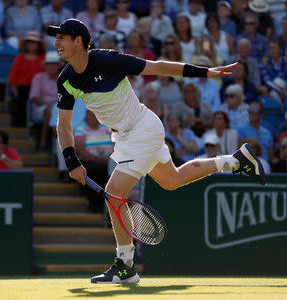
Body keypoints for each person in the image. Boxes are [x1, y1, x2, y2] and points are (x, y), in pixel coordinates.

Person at [47, 18, 265, 284]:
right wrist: (71, 160)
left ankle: (125, 265)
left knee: (114, 195)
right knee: (172, 180)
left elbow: (158, 66)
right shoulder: (66, 80)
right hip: (126, 136)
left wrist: (205, 72)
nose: (56, 43)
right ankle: (234, 161)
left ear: (78, 40)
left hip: (142, 129)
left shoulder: (109, 60)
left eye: (61, 38)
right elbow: (64, 124)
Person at [74, 110, 113, 212]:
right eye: (90, 115)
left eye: (95, 115)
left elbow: (116, 146)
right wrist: (100, 159)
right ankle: (94, 204)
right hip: (89, 162)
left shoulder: (106, 129)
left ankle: (108, 207)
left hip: (108, 161)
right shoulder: (81, 129)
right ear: (86, 116)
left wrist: (110, 159)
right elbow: (80, 151)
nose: (92, 117)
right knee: (93, 170)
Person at [8, 31, 46, 127]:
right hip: (23, 89)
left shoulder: (44, 58)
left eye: (34, 42)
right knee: (22, 94)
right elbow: (13, 77)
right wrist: (15, 91)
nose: (31, 45)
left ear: (38, 45)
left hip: (41, 89)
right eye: (29, 42)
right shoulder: (19, 58)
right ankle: (20, 123)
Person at [29, 50, 61, 150]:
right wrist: (50, 106)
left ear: (58, 66)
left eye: (54, 65)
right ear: (45, 66)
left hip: (59, 108)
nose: (51, 67)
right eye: (49, 65)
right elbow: (34, 97)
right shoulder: (38, 78)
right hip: (40, 109)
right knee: (50, 110)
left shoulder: (63, 79)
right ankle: (44, 142)